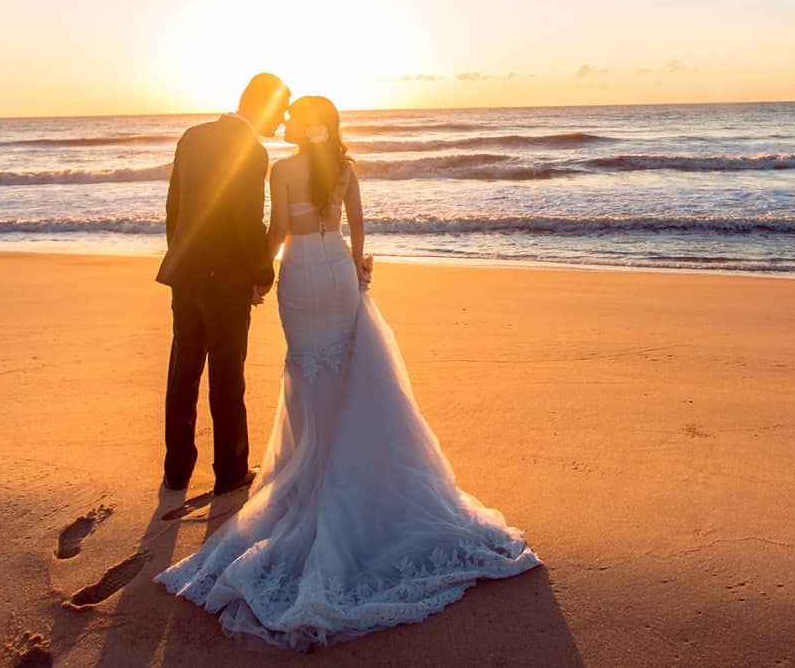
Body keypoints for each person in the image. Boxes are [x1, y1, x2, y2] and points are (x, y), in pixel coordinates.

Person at [157, 95, 539, 649]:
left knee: (306, 372)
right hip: (334, 271)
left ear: (303, 124)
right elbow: (359, 229)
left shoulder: (280, 168)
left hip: (298, 281)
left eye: (293, 115)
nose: (285, 121)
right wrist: (359, 272)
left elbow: (278, 229)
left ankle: (292, 470)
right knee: (342, 369)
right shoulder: (345, 169)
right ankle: (344, 464)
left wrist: (259, 278)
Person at [157, 72, 289, 495]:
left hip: (186, 274)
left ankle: (176, 470)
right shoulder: (250, 150)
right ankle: (230, 471)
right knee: (227, 374)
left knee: (183, 369)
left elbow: (173, 208)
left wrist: (179, 260)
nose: (283, 119)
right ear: (262, 103)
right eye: (281, 108)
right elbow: (247, 223)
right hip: (225, 279)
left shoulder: (192, 137)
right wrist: (261, 276)